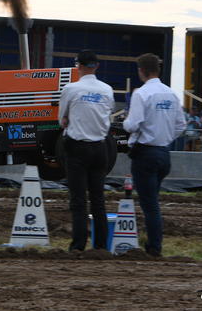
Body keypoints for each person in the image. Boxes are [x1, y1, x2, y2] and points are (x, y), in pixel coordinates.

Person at [123, 53, 186, 257]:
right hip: (163, 153)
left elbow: (132, 125)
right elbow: (181, 125)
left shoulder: (141, 94)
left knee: (149, 204)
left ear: (141, 71)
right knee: (152, 201)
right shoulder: (171, 94)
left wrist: (124, 121)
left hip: (145, 155)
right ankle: (152, 242)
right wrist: (165, 136)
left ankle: (154, 247)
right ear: (157, 70)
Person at [58, 49, 114, 252]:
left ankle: (78, 246)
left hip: (77, 149)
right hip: (100, 148)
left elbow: (61, 120)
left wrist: (68, 119)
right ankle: (100, 247)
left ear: (78, 66)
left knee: (79, 201)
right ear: (96, 66)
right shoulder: (107, 90)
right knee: (98, 201)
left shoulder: (70, 89)